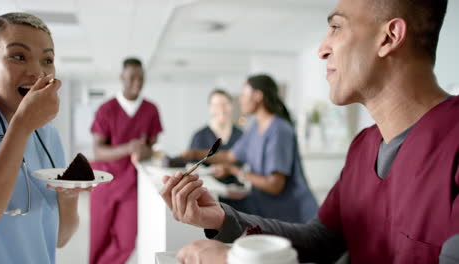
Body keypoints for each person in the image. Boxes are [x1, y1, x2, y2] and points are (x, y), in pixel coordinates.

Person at [160, 0, 459, 263]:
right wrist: (225, 219)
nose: (322, 49)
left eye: (336, 27)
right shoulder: (362, 148)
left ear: (389, 37)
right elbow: (320, 240)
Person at [0, 13, 88, 264]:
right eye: (18, 56)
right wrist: (21, 126)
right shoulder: (28, 126)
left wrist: (69, 196)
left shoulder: (47, 134)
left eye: (47, 60)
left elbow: (60, 238)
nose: (37, 72)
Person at [182, 74, 318, 223]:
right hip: (270, 212)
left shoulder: (279, 130)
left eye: (243, 94)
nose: (240, 99)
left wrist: (234, 170)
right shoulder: (255, 128)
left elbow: (275, 185)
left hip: (295, 214)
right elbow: (230, 156)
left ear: (258, 95)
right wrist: (194, 153)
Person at [90, 57, 163, 264]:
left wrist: (144, 152)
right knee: (98, 241)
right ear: (122, 77)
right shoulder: (107, 109)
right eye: (132, 78)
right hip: (104, 184)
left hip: (132, 187)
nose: (137, 83)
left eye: (141, 78)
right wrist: (129, 148)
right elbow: (98, 151)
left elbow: (152, 147)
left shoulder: (151, 110)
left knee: (126, 242)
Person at [189, 89, 250, 212]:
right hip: (209, 200)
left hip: (240, 201)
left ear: (231, 106)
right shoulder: (199, 136)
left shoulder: (241, 135)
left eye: (225, 104)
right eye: (216, 104)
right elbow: (192, 169)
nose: (221, 108)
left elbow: (249, 166)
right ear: (210, 108)